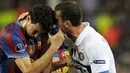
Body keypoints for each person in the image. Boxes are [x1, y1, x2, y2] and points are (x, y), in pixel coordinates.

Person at [54, 1, 116, 73]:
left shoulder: (94, 44)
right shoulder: (72, 39)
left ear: (67, 23)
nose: (55, 25)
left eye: (57, 21)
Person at [0, 5, 64, 73]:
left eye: (40, 33)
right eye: (35, 31)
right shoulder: (11, 36)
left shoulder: (31, 31)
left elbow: (45, 70)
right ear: (28, 18)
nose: (36, 36)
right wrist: (53, 47)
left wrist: (45, 44)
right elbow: (28, 71)